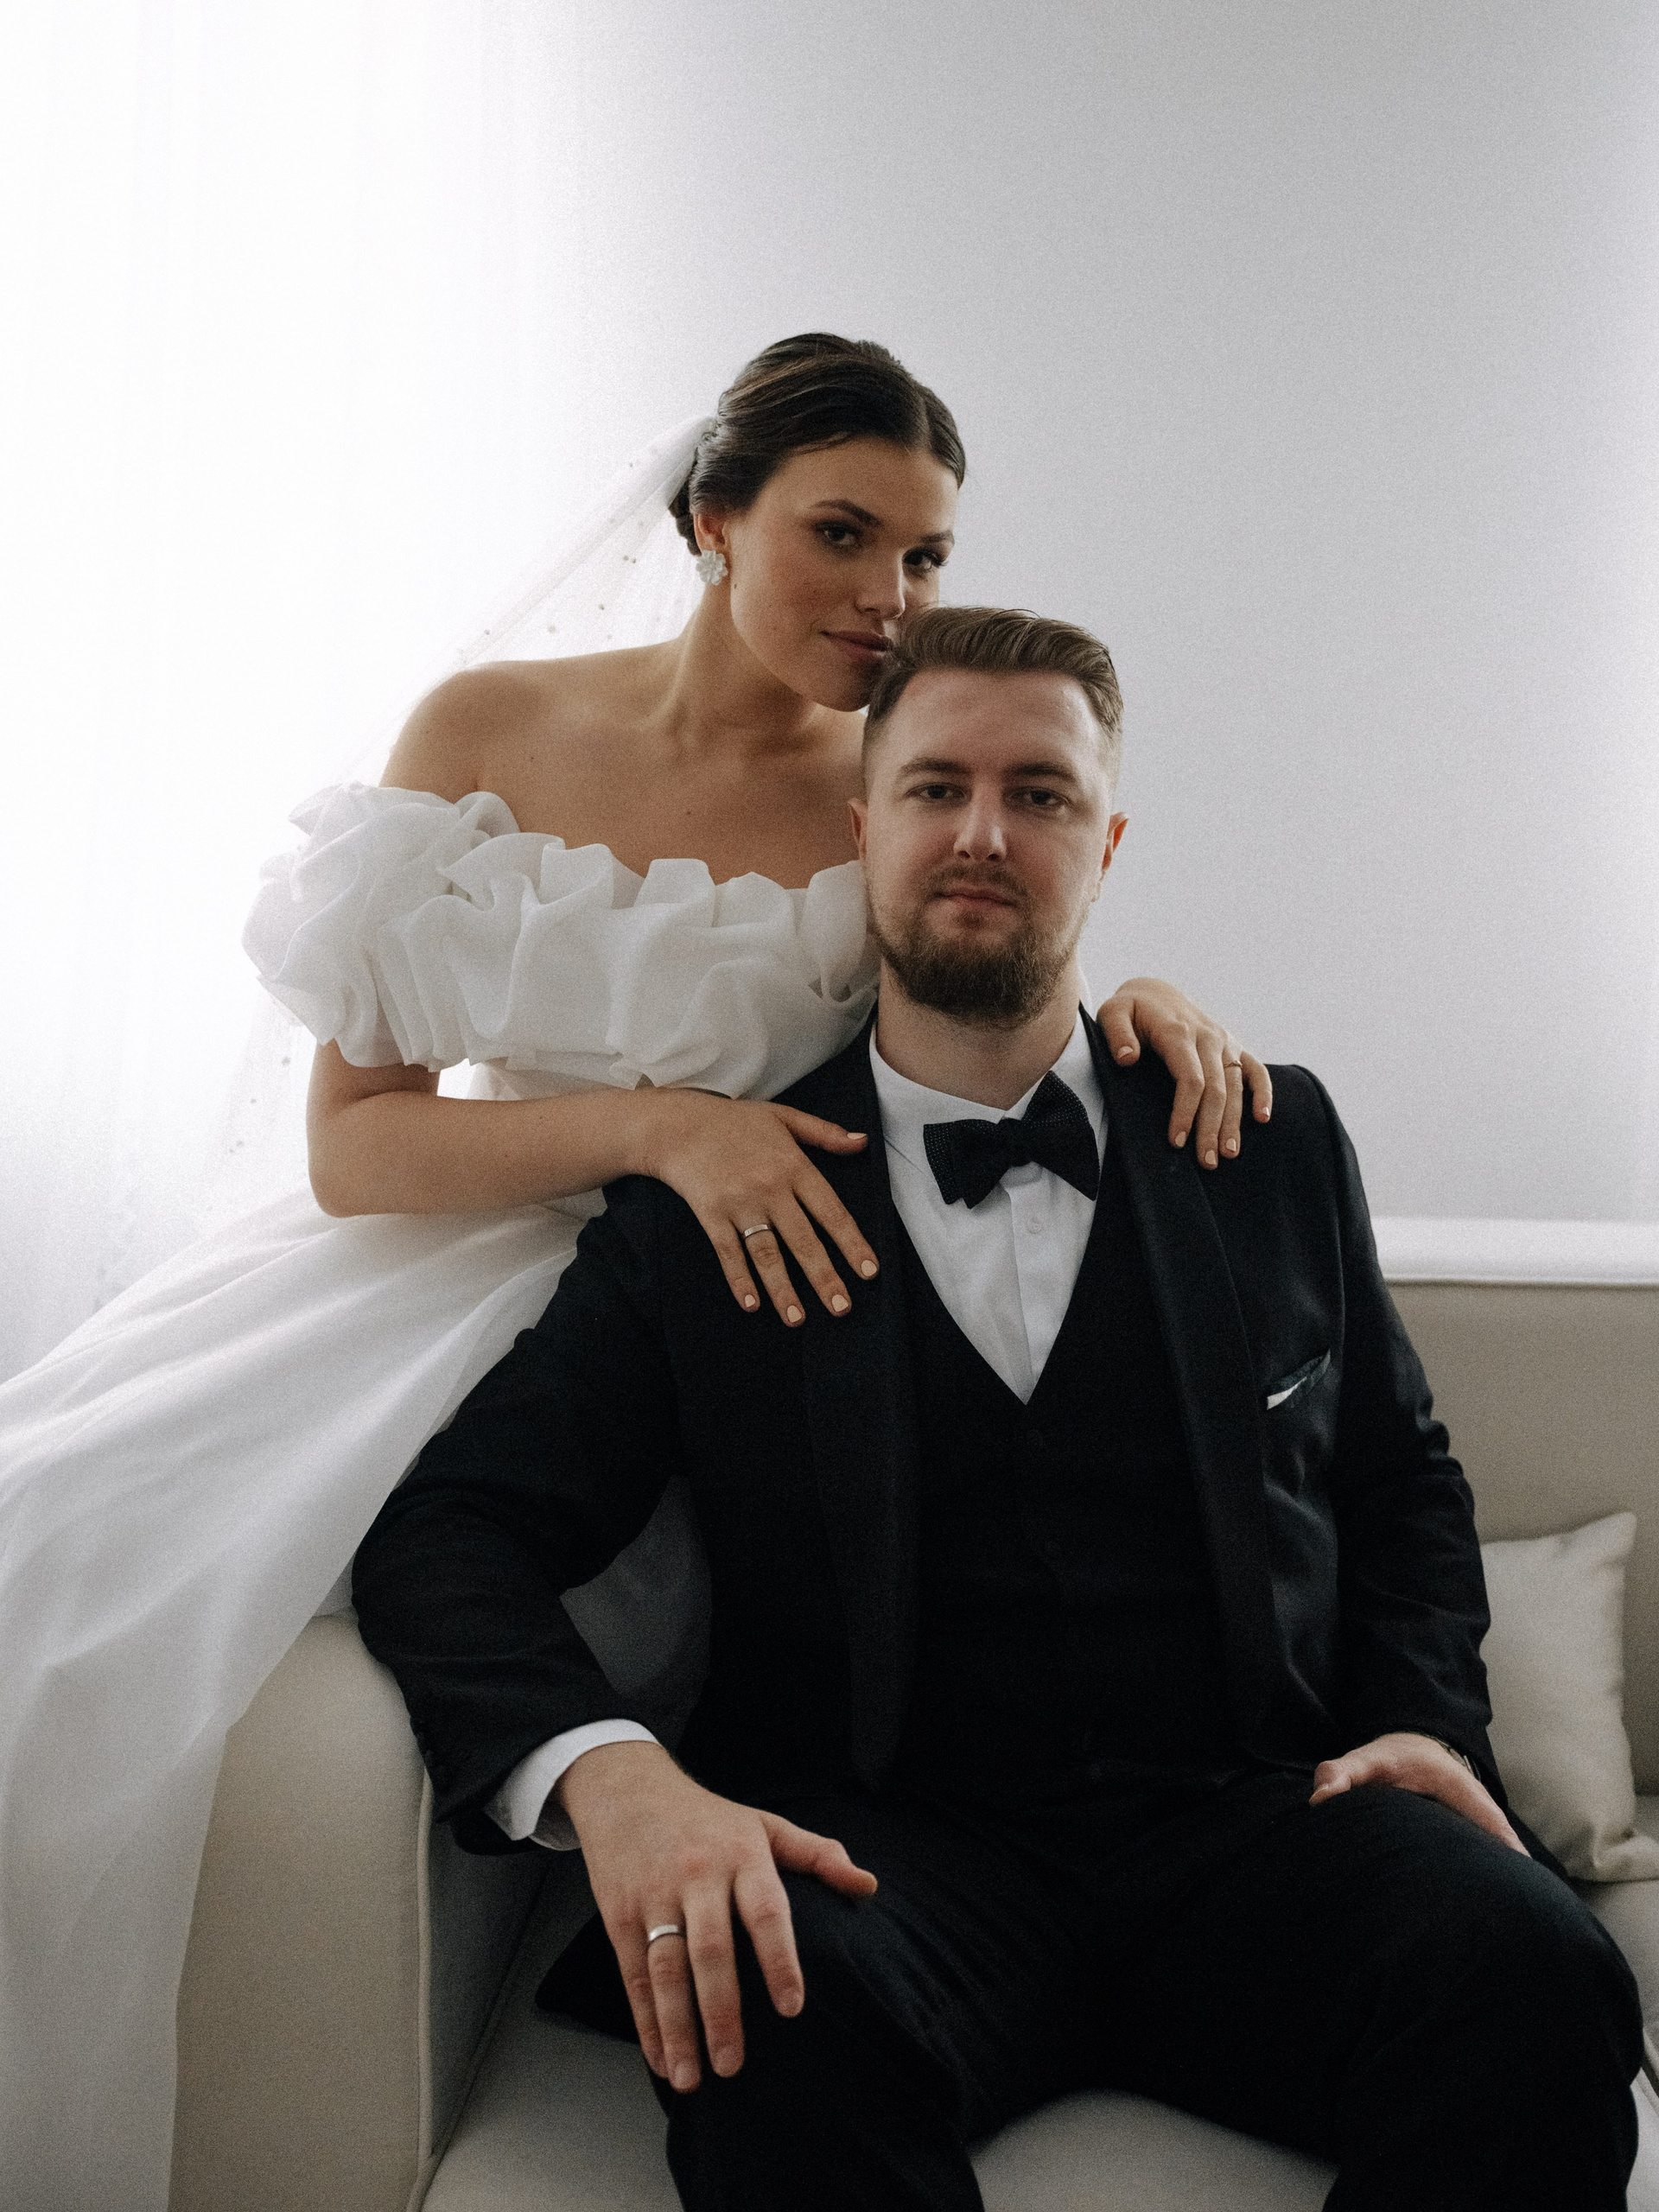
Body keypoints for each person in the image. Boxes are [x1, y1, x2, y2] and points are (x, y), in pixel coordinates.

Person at [0, 336, 1265, 2210]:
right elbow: (354, 1148)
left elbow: (1005, 985)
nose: (890, 593)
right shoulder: (484, 726)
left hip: (722, 1324)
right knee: (62, 1589)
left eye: (925, 553)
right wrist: (663, 1126)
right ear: (711, 518)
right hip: (433, 1270)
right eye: (843, 533)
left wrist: (1151, 1000)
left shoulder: (892, 776)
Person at [355, 603, 1642, 2212]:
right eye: (936, 788)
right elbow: (452, 1532)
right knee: (759, 2008)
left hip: (1259, 1826)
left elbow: (1401, 1480)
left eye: (1039, 795)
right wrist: (612, 1777)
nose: (982, 833)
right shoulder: (705, 1207)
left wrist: (1422, 1722)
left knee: (1541, 1977)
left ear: (1107, 845)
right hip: (883, 1859)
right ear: (862, 831)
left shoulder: (1268, 1142)